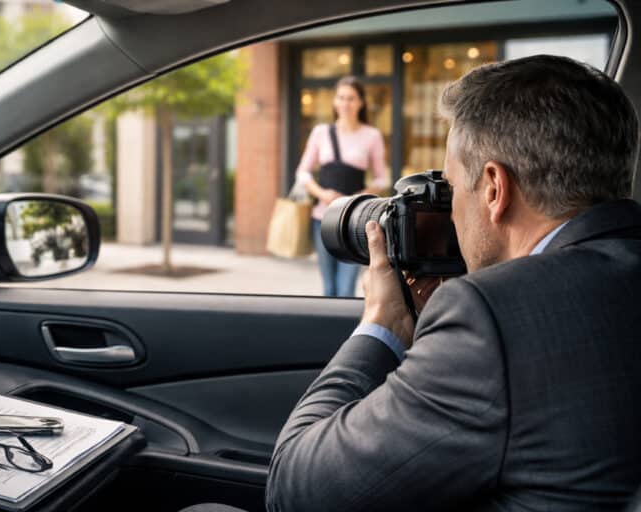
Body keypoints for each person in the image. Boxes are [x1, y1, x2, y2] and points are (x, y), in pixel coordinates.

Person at [265, 55, 641, 510]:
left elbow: (295, 487)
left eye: (451, 187)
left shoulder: (490, 317)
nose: (449, 211)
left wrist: (383, 322)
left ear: (493, 189)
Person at [294, 76, 389, 297]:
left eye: (351, 98)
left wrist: (360, 196)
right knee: (328, 287)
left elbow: (381, 179)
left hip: (354, 221)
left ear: (361, 103)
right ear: (335, 102)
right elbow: (302, 172)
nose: (346, 103)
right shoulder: (321, 133)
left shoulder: (371, 135)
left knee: (346, 289)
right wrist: (322, 193)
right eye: (341, 98)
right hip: (322, 218)